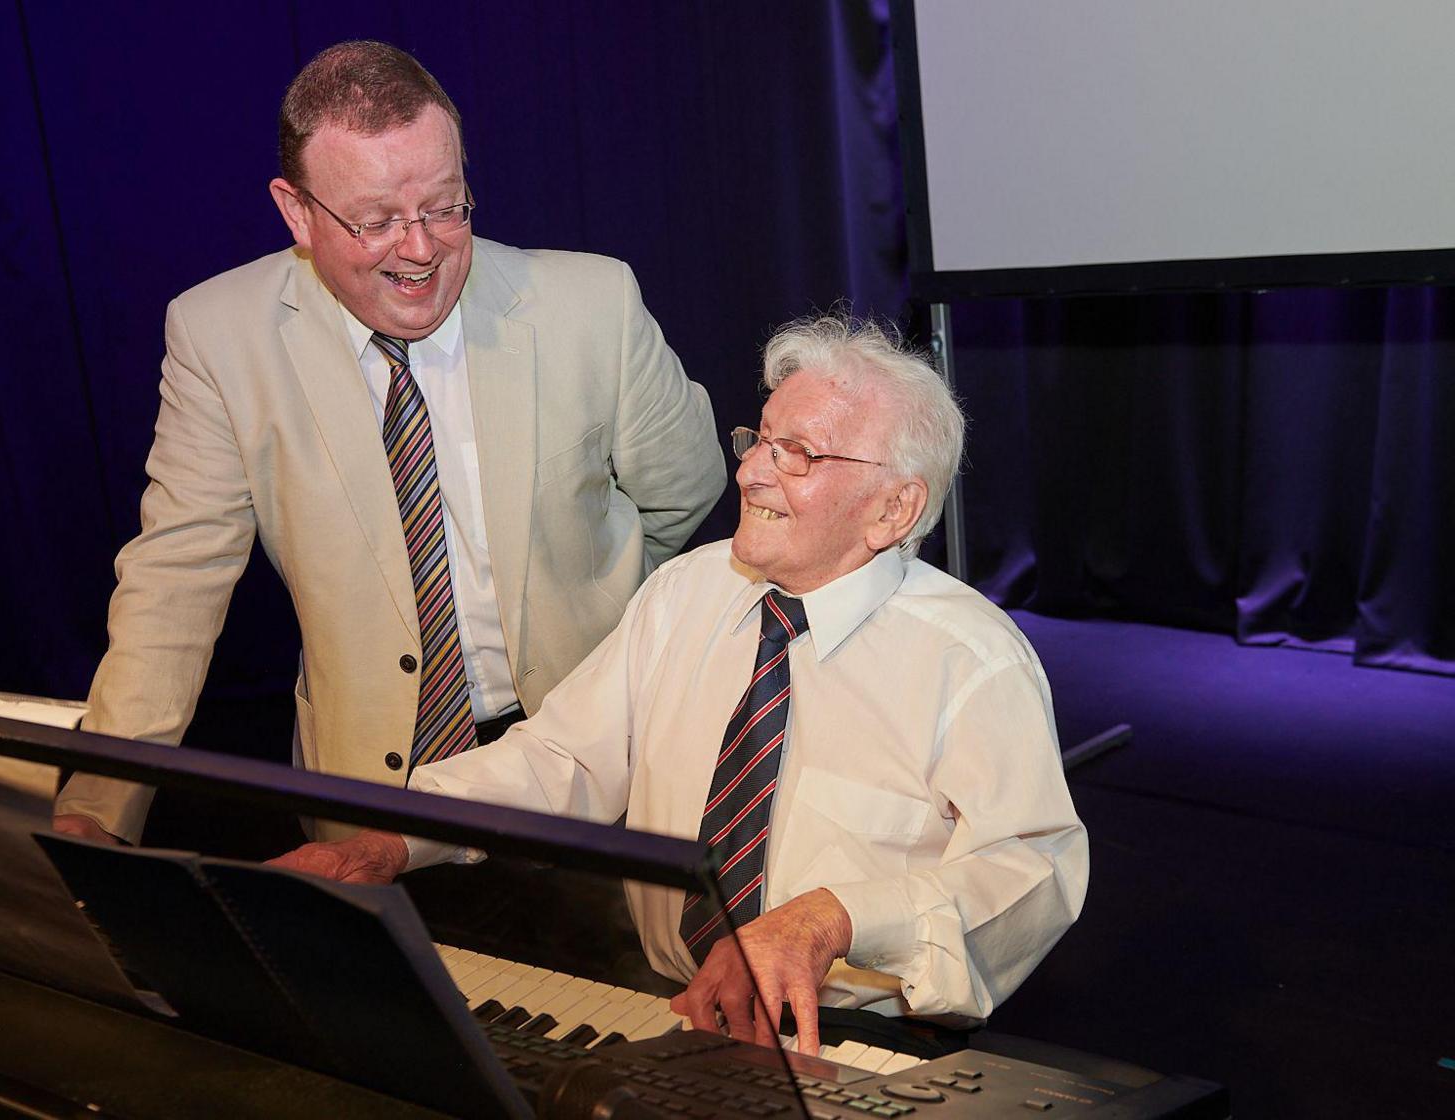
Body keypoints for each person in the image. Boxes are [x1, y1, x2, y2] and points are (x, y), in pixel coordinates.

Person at [272, 313, 1088, 1054]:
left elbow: (1032, 873)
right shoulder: (687, 593)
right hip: (669, 1004)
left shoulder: (971, 661)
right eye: (760, 441)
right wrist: (391, 836)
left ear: (893, 510)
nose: (754, 474)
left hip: (859, 1039)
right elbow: (563, 761)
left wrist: (835, 917)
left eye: (798, 455)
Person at [53, 41, 723, 845]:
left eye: (446, 207)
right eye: (374, 222)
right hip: (369, 797)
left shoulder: (592, 304)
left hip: (592, 778)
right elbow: (174, 585)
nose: (419, 248)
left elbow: (687, 488)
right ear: (296, 212)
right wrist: (98, 807)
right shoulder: (220, 337)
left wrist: (605, 610)